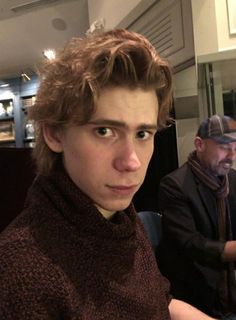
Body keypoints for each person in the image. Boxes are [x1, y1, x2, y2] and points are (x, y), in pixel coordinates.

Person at [0, 29, 217, 319]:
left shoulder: (119, 217)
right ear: (54, 133)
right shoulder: (20, 271)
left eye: (142, 133)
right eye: (104, 131)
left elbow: (159, 303)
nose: (131, 162)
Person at [157, 114, 236, 319]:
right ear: (199, 145)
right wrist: (230, 250)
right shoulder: (174, 185)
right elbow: (190, 245)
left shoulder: (232, 179)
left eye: (235, 147)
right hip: (196, 289)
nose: (231, 155)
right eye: (224, 146)